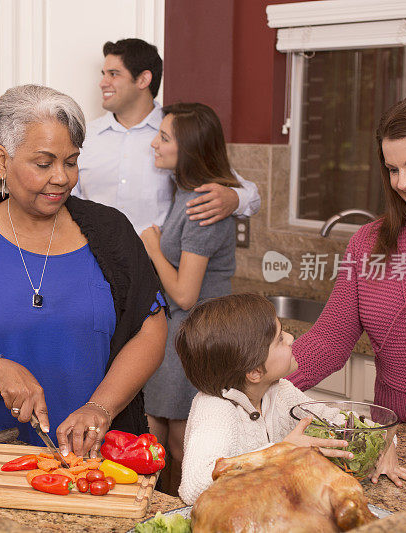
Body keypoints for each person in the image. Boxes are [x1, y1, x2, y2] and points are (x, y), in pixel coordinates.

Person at [0, 84, 167, 457]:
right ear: (2, 161)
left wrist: (100, 408)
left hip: (105, 459)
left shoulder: (110, 233)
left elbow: (151, 326)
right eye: (44, 163)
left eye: (71, 161)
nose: (62, 177)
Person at [289, 92, 406, 438]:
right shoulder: (368, 242)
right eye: (393, 169)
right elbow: (328, 341)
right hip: (386, 438)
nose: (402, 182)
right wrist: (251, 387)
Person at [177, 294, 406, 505]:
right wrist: (279, 452)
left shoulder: (280, 391)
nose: (291, 338)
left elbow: (341, 422)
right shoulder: (215, 409)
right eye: (280, 339)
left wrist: (386, 442)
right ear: (254, 372)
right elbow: (193, 488)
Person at [138, 102, 240, 494]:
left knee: (183, 446)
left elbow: (184, 293)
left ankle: (187, 514)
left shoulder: (202, 206)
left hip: (196, 339)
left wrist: (153, 247)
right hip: (175, 336)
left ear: (190, 148)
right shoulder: (185, 194)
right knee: (156, 440)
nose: (154, 144)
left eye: (164, 138)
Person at [74, 38, 261, 233]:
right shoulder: (85, 136)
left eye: (113, 74)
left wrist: (233, 199)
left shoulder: (178, 135)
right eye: (104, 74)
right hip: (91, 258)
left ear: (143, 80)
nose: (103, 83)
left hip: (155, 260)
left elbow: (251, 195)